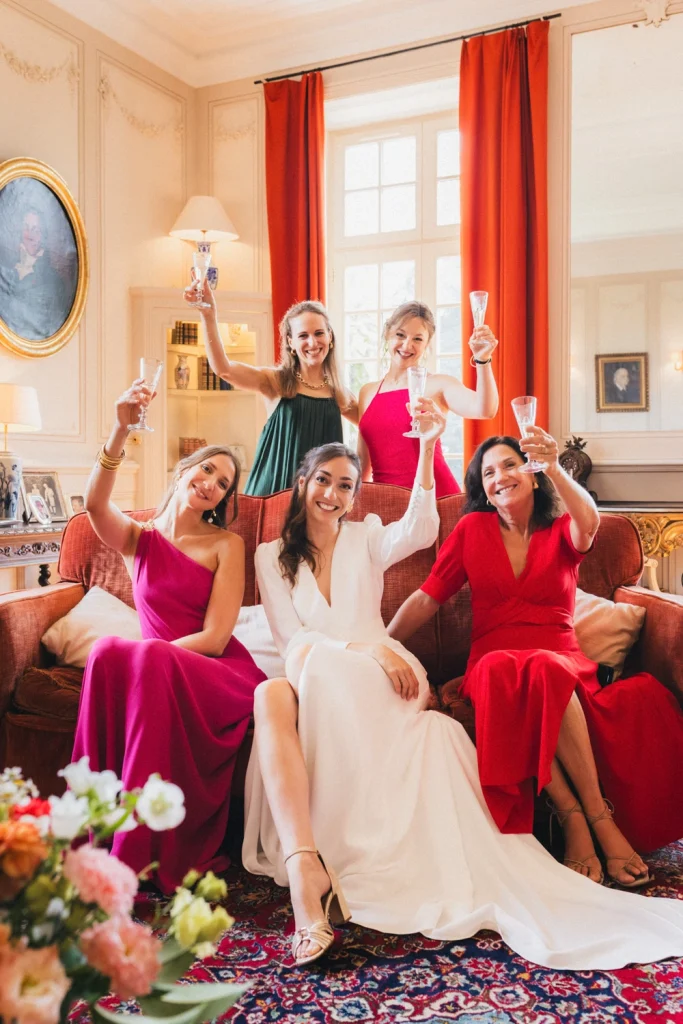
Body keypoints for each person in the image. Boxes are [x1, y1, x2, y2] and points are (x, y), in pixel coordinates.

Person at [242, 422, 683, 973]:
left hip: (464, 664)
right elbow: (300, 639)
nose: (333, 494)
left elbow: (422, 528)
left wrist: (427, 446)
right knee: (322, 671)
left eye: (346, 485)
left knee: (535, 671)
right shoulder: (268, 556)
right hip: (336, 665)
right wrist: (378, 649)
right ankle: (325, 857)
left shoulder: (368, 534)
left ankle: (587, 818)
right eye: (324, 481)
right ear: (303, 481)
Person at [390, 428, 683, 886]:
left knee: (544, 668)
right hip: (492, 663)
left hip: (558, 659)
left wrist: (556, 469)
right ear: (480, 488)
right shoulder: (471, 529)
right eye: (487, 473)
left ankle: (587, 820)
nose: (500, 477)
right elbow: (427, 598)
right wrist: (382, 644)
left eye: (509, 464)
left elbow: (589, 522)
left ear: (531, 472)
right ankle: (583, 817)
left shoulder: (560, 527)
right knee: (513, 670)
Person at [72, 379, 266, 893]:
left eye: (223, 482)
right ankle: (97, 829)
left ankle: (138, 857)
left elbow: (218, 636)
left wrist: (152, 655)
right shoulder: (140, 538)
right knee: (107, 650)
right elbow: (94, 504)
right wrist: (120, 428)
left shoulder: (227, 544)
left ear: (224, 499)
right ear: (185, 472)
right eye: (207, 469)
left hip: (216, 671)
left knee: (140, 656)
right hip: (153, 669)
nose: (211, 483)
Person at [185, 280, 357, 495]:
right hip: (272, 494)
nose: (312, 343)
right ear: (290, 343)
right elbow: (224, 370)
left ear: (330, 336)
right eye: (303, 335)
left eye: (319, 333)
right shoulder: (275, 381)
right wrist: (208, 316)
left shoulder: (340, 394)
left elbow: (375, 428)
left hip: (322, 502)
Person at [357, 301, 499, 497]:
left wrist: (483, 360)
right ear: (387, 334)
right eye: (400, 335)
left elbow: (485, 409)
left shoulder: (437, 384)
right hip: (387, 504)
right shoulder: (367, 392)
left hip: (435, 498)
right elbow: (363, 465)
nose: (407, 345)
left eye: (417, 339)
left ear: (427, 344)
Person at [0, 208, 72, 340]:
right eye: (26, 228)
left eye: (35, 230)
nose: (29, 235)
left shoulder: (53, 280)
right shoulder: (8, 271)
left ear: (43, 236)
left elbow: (47, 329)